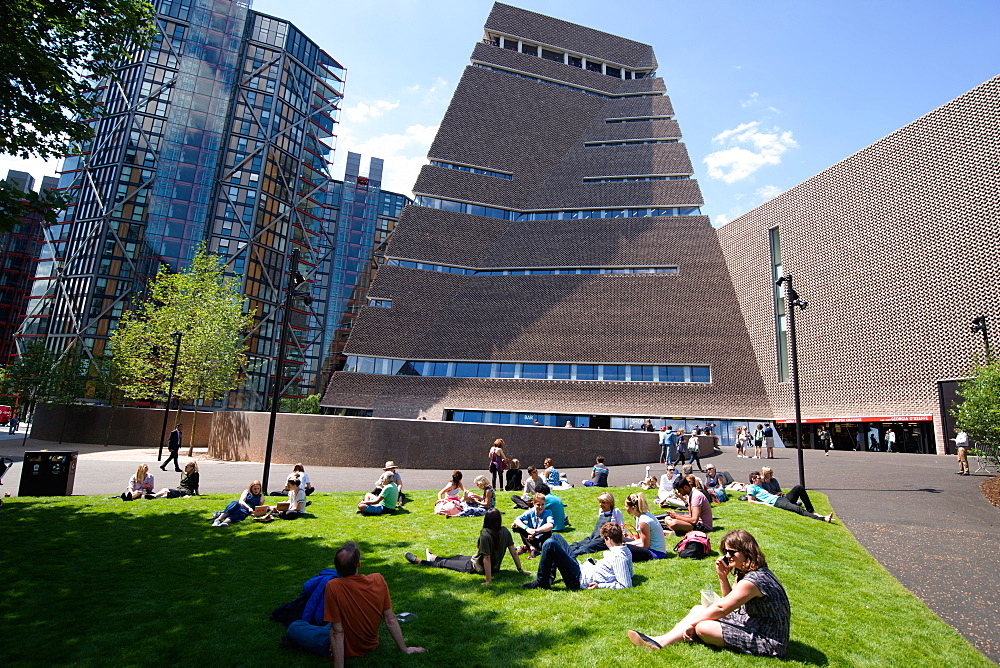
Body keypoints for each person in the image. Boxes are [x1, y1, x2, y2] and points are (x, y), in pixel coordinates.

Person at [627, 529, 790, 658]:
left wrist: (692, 624)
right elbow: (730, 601)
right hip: (751, 621)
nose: (727, 556)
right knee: (699, 609)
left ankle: (671, 638)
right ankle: (662, 640)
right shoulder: (745, 572)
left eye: (732, 552)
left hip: (768, 639)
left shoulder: (754, 580)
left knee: (703, 627)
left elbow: (722, 608)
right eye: (725, 551)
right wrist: (722, 577)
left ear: (746, 552)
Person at [283, 542, 426, 662]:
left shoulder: (333, 586)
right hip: (370, 643)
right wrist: (404, 648)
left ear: (336, 567)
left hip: (346, 646)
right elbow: (390, 618)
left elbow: (337, 633)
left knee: (295, 626)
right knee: (327, 625)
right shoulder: (378, 579)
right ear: (358, 564)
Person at [405, 508, 526, 584]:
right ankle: (434, 557)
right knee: (457, 557)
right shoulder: (505, 531)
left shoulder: (486, 534)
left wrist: (488, 580)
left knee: (444, 564)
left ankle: (418, 561)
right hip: (486, 564)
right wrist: (520, 570)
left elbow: (486, 558)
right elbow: (513, 552)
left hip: (476, 567)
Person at [523, 521, 633, 590]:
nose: (605, 543)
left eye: (605, 540)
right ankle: (549, 578)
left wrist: (600, 585)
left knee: (549, 544)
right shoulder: (625, 549)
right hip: (582, 569)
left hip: (578, 579)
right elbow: (629, 573)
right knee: (556, 537)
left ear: (608, 539)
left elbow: (625, 584)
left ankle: (541, 582)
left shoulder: (618, 557)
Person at [746, 472, 833, 522]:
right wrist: (766, 504)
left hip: (781, 498)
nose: (761, 479)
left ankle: (811, 511)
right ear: (753, 479)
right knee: (798, 509)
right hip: (777, 502)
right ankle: (823, 519)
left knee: (799, 487)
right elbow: (750, 501)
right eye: (758, 478)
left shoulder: (760, 486)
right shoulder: (751, 487)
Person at [569, 492, 625, 557]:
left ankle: (571, 555)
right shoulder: (601, 511)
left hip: (605, 539)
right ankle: (565, 550)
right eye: (600, 502)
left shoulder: (616, 511)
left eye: (603, 502)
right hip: (594, 536)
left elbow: (621, 526)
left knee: (586, 547)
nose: (600, 504)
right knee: (578, 544)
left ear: (610, 503)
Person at [624, 492, 667, 562]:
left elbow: (645, 546)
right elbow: (642, 540)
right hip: (651, 549)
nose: (625, 508)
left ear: (633, 508)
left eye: (626, 506)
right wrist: (626, 543)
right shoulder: (641, 516)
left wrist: (626, 546)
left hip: (656, 553)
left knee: (622, 548)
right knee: (621, 542)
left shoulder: (644, 521)